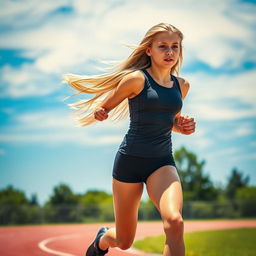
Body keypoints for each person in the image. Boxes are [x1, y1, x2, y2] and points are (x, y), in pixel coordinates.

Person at [63, 23, 196, 256]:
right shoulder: (136, 79)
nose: (170, 52)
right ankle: (102, 240)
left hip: (161, 162)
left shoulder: (182, 86)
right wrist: (100, 112)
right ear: (148, 50)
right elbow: (104, 107)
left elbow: (170, 121)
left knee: (175, 222)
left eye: (175, 47)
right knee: (124, 241)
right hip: (130, 162)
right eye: (162, 46)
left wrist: (182, 127)